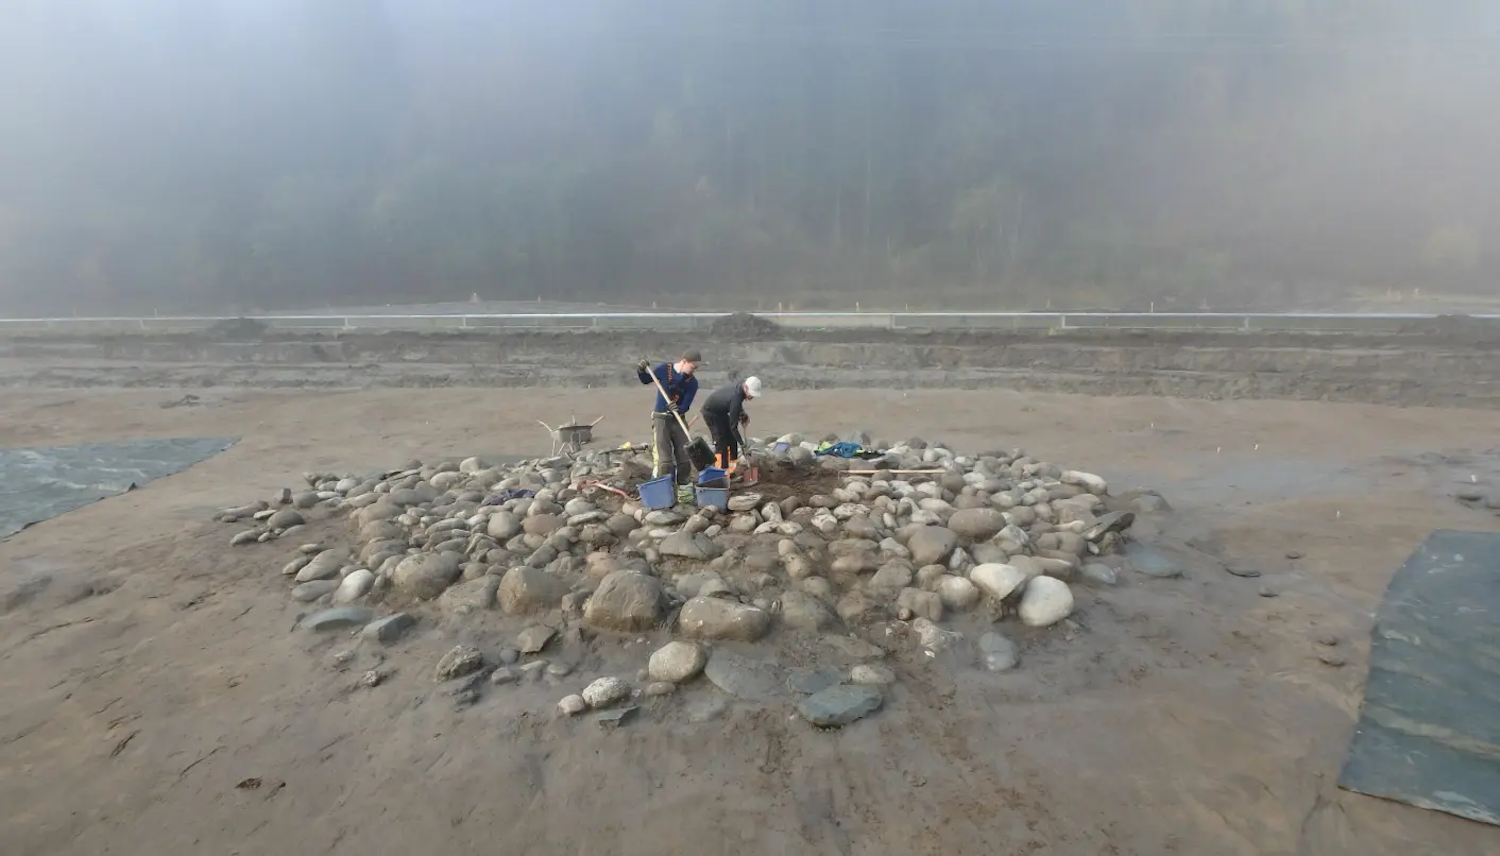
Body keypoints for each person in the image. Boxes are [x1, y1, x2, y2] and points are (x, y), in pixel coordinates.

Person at [636, 349, 702, 499]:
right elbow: (646, 379)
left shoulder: (692, 382)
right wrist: (640, 370)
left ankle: (684, 497)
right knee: (664, 460)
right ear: (684, 361)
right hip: (661, 418)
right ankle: (661, 494)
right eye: (692, 367)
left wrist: (678, 409)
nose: (693, 371)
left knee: (685, 458)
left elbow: (686, 405)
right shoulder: (665, 369)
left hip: (678, 419)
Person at [701, 376, 761, 474]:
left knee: (732, 440)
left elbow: (733, 405)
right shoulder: (736, 398)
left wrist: (742, 413)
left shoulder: (739, 389)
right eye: (751, 394)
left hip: (721, 412)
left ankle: (731, 471)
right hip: (710, 413)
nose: (752, 397)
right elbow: (734, 427)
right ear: (746, 388)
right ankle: (720, 474)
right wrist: (743, 445)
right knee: (721, 443)